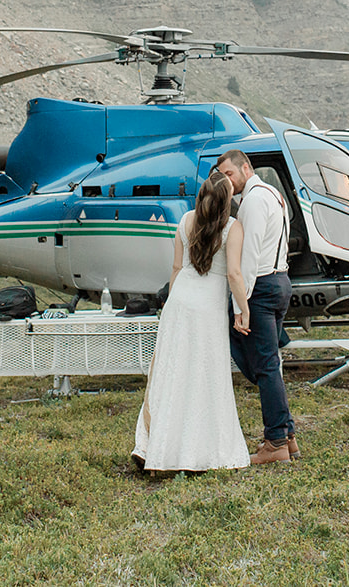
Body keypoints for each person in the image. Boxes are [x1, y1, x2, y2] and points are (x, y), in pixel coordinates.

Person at [132, 171, 252, 472]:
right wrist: (244, 309)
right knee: (204, 376)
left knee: (169, 373)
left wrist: (173, 306)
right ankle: (198, 452)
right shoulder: (232, 228)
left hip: (180, 302)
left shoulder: (186, 221)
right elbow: (234, 274)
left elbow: (176, 267)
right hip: (207, 307)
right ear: (227, 202)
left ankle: (151, 446)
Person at [214, 149, 297, 464]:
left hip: (260, 287)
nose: (227, 180)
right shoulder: (272, 194)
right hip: (279, 281)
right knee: (268, 365)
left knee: (263, 367)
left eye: (230, 173)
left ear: (245, 168)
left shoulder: (253, 201)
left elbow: (247, 258)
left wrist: (240, 305)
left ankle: (275, 441)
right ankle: (286, 435)